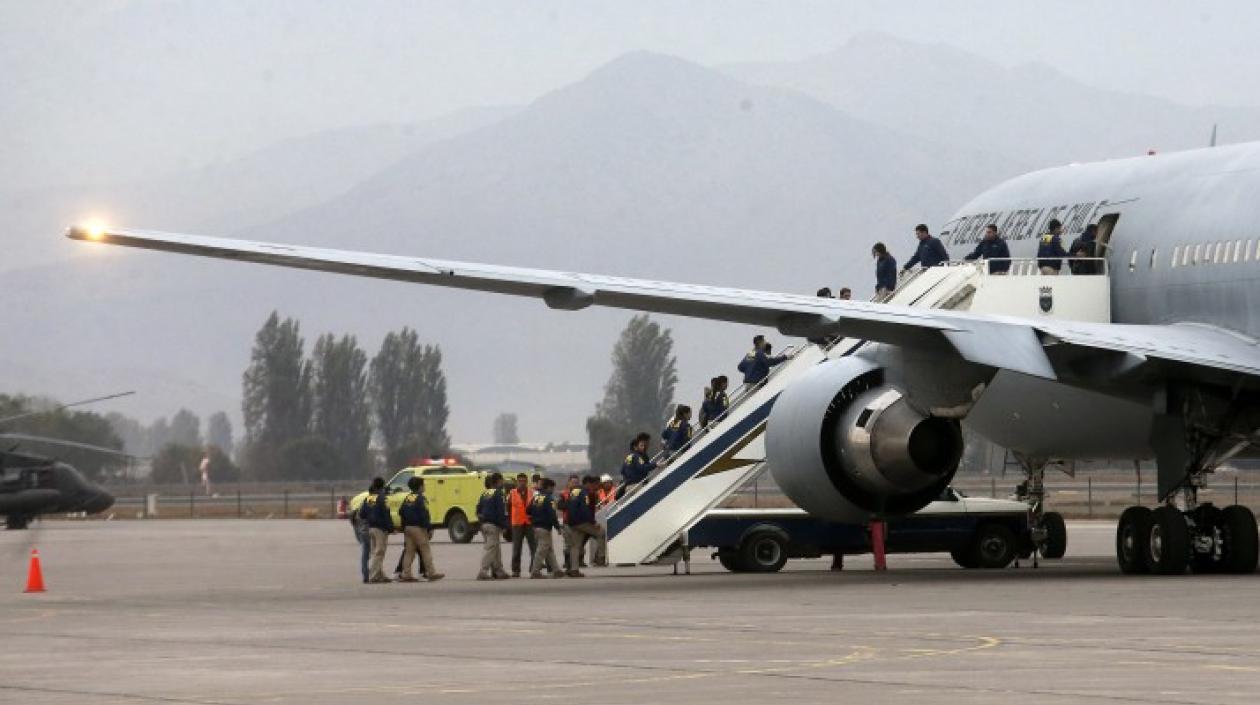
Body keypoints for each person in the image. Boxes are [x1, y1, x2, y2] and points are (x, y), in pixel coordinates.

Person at [398, 477, 444, 582]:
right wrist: (429, 528)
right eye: (423, 485)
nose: (425, 486)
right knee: (425, 549)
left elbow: (401, 511)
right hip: (418, 528)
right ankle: (431, 572)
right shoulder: (421, 498)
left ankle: (406, 573)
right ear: (419, 487)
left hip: (408, 528)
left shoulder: (408, 497)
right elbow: (424, 514)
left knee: (409, 552)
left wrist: (404, 525)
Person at [565, 475, 604, 577]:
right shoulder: (585, 493)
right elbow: (585, 508)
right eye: (593, 485)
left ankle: (574, 569)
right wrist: (593, 522)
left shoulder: (573, 491)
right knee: (601, 533)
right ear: (589, 484)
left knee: (575, 546)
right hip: (582, 522)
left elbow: (567, 505)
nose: (594, 487)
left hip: (571, 522)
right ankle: (601, 558)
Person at [527, 478, 565, 578]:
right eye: (552, 488)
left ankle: (556, 570)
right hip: (544, 528)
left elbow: (528, 510)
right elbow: (552, 514)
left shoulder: (536, 498)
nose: (553, 490)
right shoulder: (549, 498)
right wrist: (558, 527)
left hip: (535, 527)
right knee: (541, 550)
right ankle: (535, 571)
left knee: (549, 549)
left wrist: (536, 516)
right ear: (548, 487)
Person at [475, 473, 510, 580]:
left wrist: (481, 519)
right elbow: (501, 511)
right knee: (491, 548)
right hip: (493, 525)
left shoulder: (485, 493)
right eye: (502, 480)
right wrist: (505, 525)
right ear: (498, 481)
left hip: (484, 524)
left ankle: (498, 570)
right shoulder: (499, 494)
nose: (503, 482)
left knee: (495, 548)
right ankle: (483, 571)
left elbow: (478, 509)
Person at [362, 476, 393, 584]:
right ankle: (373, 575)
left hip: (371, 528)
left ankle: (380, 575)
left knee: (375, 552)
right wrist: (390, 528)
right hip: (380, 529)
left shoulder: (368, 498)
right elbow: (386, 514)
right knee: (379, 552)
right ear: (382, 486)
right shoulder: (382, 498)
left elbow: (362, 514)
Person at [508, 472, 537, 577]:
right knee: (516, 548)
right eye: (520, 481)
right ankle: (516, 570)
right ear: (517, 482)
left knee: (533, 547)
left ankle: (533, 568)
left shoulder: (532, 493)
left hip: (529, 523)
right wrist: (508, 523)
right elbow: (508, 508)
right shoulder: (512, 493)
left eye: (524, 481)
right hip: (517, 523)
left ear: (527, 482)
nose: (522, 483)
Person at [350, 479, 376, 583]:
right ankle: (371, 574)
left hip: (359, 528)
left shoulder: (362, 499)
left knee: (365, 553)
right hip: (367, 529)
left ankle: (365, 574)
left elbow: (353, 515)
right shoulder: (372, 499)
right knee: (372, 552)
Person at [590, 474, 616, 567]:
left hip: (612, 514)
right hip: (600, 517)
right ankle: (598, 558)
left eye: (609, 483)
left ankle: (604, 558)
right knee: (600, 538)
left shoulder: (616, 491)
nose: (607, 485)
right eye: (605, 483)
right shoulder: (598, 493)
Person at [559, 474, 581, 571]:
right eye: (573, 482)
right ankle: (568, 564)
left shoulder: (582, 493)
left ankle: (575, 565)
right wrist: (570, 502)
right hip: (567, 523)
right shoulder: (564, 494)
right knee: (568, 545)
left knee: (577, 546)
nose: (575, 484)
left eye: (577, 482)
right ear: (569, 483)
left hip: (579, 523)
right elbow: (560, 506)